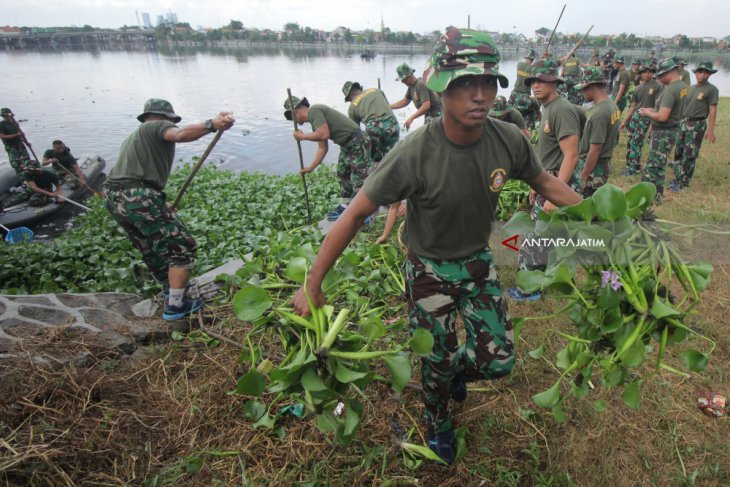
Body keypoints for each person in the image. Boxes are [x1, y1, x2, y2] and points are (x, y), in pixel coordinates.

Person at [291, 28, 582, 465]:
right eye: (465, 84)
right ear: (441, 87)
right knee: (437, 361)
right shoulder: (414, 153)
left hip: (478, 262)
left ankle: (453, 375)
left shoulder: (508, 139)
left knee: (497, 361)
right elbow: (353, 215)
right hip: (428, 271)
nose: (479, 95)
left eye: (488, 83)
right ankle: (438, 416)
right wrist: (313, 282)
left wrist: (603, 217)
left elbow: (545, 182)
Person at [104, 99, 234, 320]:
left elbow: (131, 176)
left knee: (151, 248)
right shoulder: (155, 126)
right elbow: (180, 135)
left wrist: (159, 203)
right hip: (138, 196)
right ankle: (176, 304)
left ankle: (169, 290)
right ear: (166, 118)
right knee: (182, 248)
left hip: (115, 197)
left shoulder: (134, 138)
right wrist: (212, 124)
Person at [509, 58, 581, 301]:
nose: (535, 86)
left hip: (558, 184)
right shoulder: (548, 108)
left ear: (554, 81)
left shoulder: (561, 109)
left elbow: (571, 154)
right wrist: (536, 185)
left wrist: (554, 194)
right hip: (548, 180)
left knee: (535, 237)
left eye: (542, 80)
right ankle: (547, 279)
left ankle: (529, 288)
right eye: (532, 81)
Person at [285, 95, 373, 221]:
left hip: (357, 141)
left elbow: (323, 134)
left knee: (359, 179)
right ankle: (345, 205)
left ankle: (365, 213)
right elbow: (322, 148)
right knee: (343, 174)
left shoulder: (314, 110)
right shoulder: (315, 120)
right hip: (346, 145)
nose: (293, 121)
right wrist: (310, 168)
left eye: (291, 117)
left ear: (295, 111)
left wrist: (303, 137)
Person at [638, 58, 688, 204]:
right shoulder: (682, 86)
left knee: (655, 166)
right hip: (672, 129)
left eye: (660, 76)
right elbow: (668, 111)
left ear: (668, 73)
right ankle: (654, 195)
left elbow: (662, 116)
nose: (659, 79)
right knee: (659, 163)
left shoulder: (671, 90)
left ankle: (652, 197)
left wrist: (647, 113)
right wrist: (651, 110)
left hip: (664, 132)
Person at [669, 61, 719, 191]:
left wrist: (711, 130)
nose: (703, 75)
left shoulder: (712, 90)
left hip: (697, 124)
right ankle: (677, 177)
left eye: (706, 72)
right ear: (696, 73)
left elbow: (713, 109)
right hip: (684, 122)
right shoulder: (690, 88)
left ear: (709, 74)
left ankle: (683, 183)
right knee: (679, 151)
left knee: (690, 154)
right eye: (700, 71)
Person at [571, 67, 621, 197]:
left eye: (583, 88)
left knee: (584, 205)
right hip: (602, 164)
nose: (582, 93)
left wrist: (583, 177)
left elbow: (595, 149)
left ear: (591, 86)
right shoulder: (612, 105)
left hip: (594, 169)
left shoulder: (600, 113)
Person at [620, 63, 662, 176]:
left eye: (649, 71)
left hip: (647, 117)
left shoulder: (657, 87)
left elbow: (659, 106)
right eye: (644, 72)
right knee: (630, 140)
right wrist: (625, 121)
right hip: (635, 116)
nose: (647, 74)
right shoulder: (638, 88)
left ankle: (633, 169)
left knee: (636, 142)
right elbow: (633, 105)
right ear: (640, 74)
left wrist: (653, 123)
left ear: (652, 73)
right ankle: (631, 164)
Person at [342, 81, 400, 164]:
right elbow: (388, 107)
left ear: (349, 95)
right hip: (392, 123)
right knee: (394, 156)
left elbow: (355, 131)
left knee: (375, 161)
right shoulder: (377, 91)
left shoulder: (352, 106)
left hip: (374, 128)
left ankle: (379, 175)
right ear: (359, 88)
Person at [390, 63, 443, 129]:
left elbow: (426, 105)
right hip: (429, 116)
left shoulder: (420, 84)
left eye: (404, 79)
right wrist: (388, 107)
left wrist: (411, 118)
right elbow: (405, 101)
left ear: (410, 76)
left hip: (437, 116)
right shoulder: (411, 87)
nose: (402, 82)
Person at [509, 49, 540, 129]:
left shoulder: (519, 64)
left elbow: (527, 66)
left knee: (512, 113)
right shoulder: (532, 69)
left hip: (514, 93)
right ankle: (530, 128)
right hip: (524, 96)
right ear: (532, 59)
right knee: (531, 113)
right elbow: (536, 68)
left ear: (526, 57)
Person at [0, 108, 31, 178]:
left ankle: (30, 176)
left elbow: (21, 134)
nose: (9, 117)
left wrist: (26, 142)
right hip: (11, 146)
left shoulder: (15, 123)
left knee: (27, 160)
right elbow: (2, 136)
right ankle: (21, 177)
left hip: (20, 144)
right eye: (6, 116)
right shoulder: (2, 124)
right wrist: (16, 135)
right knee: (16, 163)